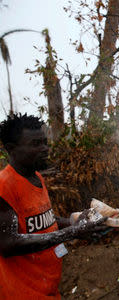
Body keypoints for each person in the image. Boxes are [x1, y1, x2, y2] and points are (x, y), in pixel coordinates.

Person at [0, 114, 108, 299]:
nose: (45, 149)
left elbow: (45, 220)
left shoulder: (36, 178)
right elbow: (8, 243)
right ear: (11, 149)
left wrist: (76, 221)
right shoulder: (4, 185)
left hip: (48, 288)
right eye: (35, 144)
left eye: (44, 142)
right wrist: (73, 232)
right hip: (21, 293)